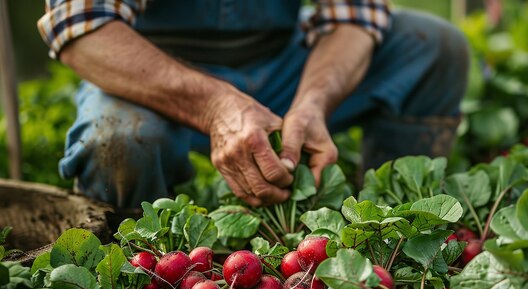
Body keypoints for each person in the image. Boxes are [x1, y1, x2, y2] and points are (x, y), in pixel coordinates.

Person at [37, 0, 469, 209]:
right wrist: (215, 106)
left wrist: (313, 102)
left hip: (280, 60)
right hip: (152, 71)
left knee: (433, 46)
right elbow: (83, 28)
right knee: (117, 140)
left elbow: (353, 15)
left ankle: (397, 222)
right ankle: (130, 266)